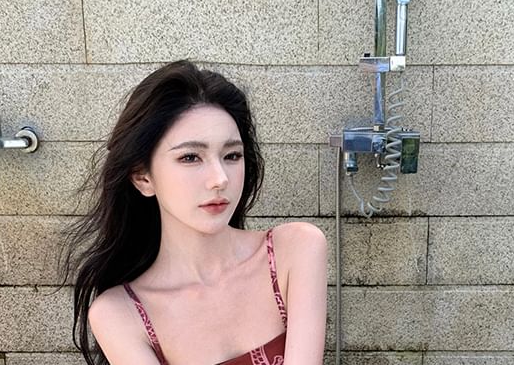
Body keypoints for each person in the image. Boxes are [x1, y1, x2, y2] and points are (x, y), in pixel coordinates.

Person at [63, 60, 328, 365]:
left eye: (232, 155)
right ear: (143, 177)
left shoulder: (293, 251)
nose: (220, 179)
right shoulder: (120, 314)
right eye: (190, 157)